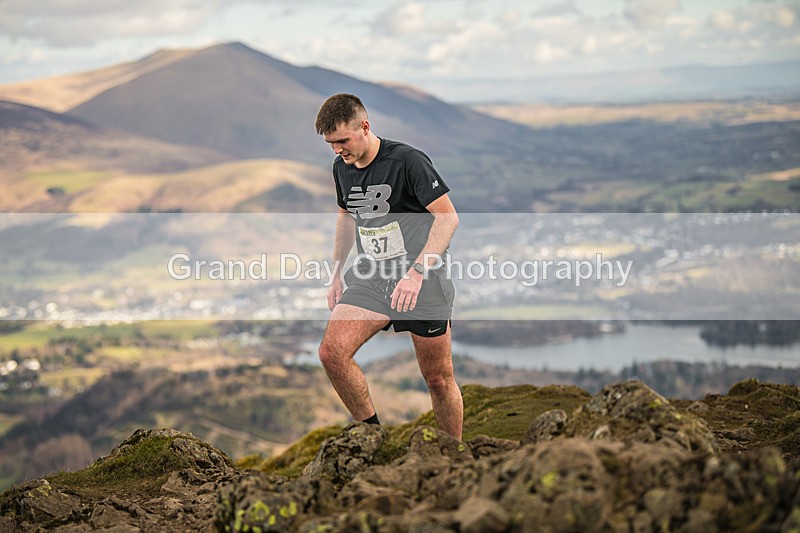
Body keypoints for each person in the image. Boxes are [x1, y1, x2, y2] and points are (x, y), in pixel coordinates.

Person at [315, 93, 463, 440]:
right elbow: (346, 217)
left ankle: (455, 457)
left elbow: (448, 218)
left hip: (421, 281)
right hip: (372, 276)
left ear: (364, 127)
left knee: (438, 379)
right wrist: (336, 273)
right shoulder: (342, 168)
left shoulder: (407, 160)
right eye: (330, 144)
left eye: (342, 140)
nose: (337, 150)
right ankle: (373, 439)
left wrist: (416, 273)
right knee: (331, 354)